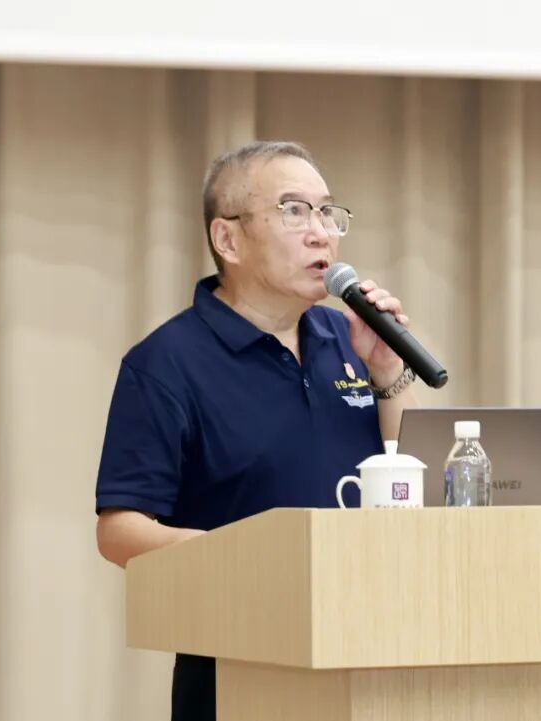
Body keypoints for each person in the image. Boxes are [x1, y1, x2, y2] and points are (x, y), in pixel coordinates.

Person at [94, 141, 419, 721]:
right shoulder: (167, 361)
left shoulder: (348, 337)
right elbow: (119, 531)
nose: (321, 233)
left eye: (328, 213)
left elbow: (416, 484)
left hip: (370, 651)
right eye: (294, 211)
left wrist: (388, 371)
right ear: (228, 239)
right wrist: (258, 557)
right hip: (238, 664)